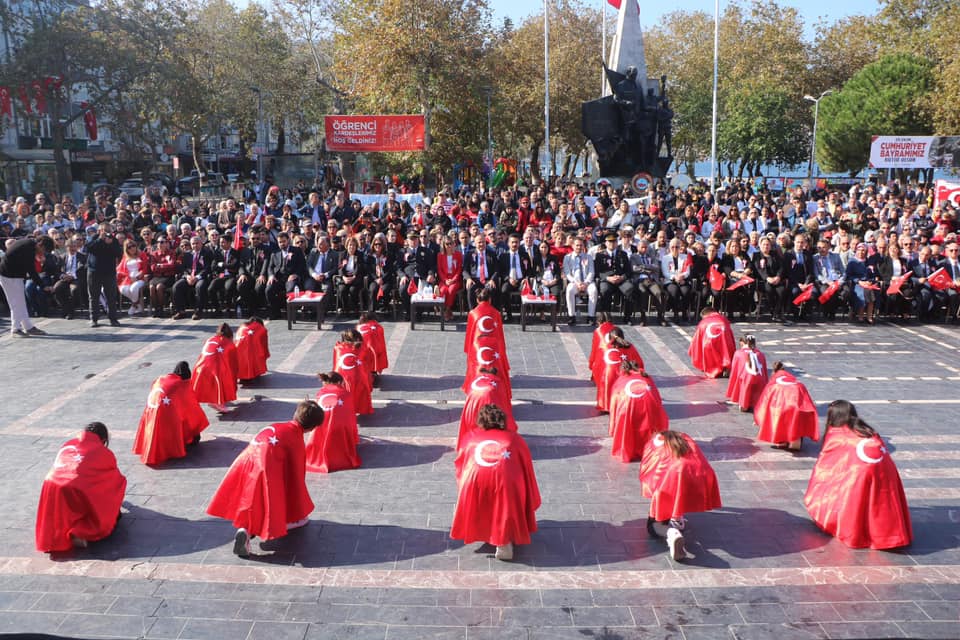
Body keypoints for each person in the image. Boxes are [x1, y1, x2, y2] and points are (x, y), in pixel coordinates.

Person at [207, 400, 325, 557]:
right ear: (312, 427)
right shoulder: (295, 438)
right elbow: (296, 476)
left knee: (250, 500)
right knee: (266, 503)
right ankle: (269, 526)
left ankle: (245, 530)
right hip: (267, 467)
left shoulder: (277, 426)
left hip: (247, 462)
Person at [803, 400, 912, 549]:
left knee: (853, 496)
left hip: (859, 472)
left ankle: (856, 532)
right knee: (880, 501)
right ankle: (888, 535)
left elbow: (826, 467)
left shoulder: (836, 435)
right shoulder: (868, 431)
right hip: (884, 469)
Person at [450, 404, 541, 561]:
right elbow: (526, 466)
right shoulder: (514, 439)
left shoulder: (471, 438)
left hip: (474, 479)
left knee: (479, 496)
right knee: (505, 504)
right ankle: (503, 541)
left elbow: (461, 463)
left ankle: (481, 530)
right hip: (506, 480)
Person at [35, 422, 126, 552]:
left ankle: (52, 537)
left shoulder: (68, 444)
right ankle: (80, 531)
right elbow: (112, 478)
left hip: (51, 483)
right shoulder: (102, 451)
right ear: (104, 439)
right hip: (76, 486)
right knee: (114, 484)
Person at [640, 431, 721, 561]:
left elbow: (650, 474)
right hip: (700, 472)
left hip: (672, 475)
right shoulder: (684, 438)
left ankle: (671, 533)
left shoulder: (652, 445)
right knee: (680, 492)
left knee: (653, 525)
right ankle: (677, 519)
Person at [133, 361, 209, 465]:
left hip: (151, 411)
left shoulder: (160, 379)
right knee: (187, 413)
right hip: (167, 415)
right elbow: (192, 409)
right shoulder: (181, 385)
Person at [608, 361, 668, 462]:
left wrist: (614, 425)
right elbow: (657, 398)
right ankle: (647, 448)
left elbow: (614, 401)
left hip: (627, 406)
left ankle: (628, 449)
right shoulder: (647, 378)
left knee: (628, 427)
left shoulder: (620, 380)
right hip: (649, 405)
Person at [754, 362, 819, 451]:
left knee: (778, 416)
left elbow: (764, 402)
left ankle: (781, 440)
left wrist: (759, 418)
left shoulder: (773, 384)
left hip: (781, 406)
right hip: (796, 404)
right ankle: (795, 439)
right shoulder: (797, 383)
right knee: (795, 419)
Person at [305, 372, 361, 473]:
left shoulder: (321, 392)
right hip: (340, 428)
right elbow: (350, 417)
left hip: (321, 425)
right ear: (339, 382)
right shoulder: (346, 394)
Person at [0, 235, 54, 336]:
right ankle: (15, 329)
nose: (43, 253)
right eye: (44, 250)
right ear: (40, 245)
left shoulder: (28, 244)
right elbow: (31, 270)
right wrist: (43, 285)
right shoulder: (28, 248)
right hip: (10, 277)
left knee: (20, 303)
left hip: (12, 275)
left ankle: (28, 327)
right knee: (16, 304)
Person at [458, 367, 517, 453]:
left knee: (474, 423)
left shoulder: (476, 378)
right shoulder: (498, 383)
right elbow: (503, 403)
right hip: (489, 398)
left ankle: (475, 441)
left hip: (473, 402)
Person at [593, 327, 644, 413]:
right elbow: (639, 364)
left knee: (606, 379)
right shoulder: (630, 347)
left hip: (609, 377)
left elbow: (597, 365)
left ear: (610, 338)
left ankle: (605, 406)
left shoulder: (604, 347)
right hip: (626, 377)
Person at [191, 323, 239, 413]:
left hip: (199, 367)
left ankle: (214, 399)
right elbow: (233, 364)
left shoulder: (210, 339)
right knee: (224, 373)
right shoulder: (229, 344)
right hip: (214, 369)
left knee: (213, 376)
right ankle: (216, 402)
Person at [85, 224, 123, 327]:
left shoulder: (113, 240)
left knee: (111, 296)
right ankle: (94, 319)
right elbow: (88, 249)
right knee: (94, 296)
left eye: (108, 230)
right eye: (104, 230)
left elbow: (119, 253)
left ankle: (113, 319)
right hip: (94, 271)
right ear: (99, 230)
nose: (106, 232)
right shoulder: (94, 238)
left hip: (109, 272)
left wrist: (110, 244)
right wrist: (100, 240)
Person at [333, 329, 373, 415]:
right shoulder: (364, 348)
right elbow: (367, 366)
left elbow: (335, 364)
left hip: (340, 380)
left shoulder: (337, 347)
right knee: (363, 379)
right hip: (359, 380)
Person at [688, 306, 736, 378]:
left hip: (708, 344)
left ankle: (712, 369)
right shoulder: (723, 319)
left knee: (707, 349)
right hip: (724, 343)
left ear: (704, 315)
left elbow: (696, 341)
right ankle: (726, 367)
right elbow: (730, 336)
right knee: (726, 347)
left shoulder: (703, 322)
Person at [725, 334, 769, 412]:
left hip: (746, 380)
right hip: (760, 380)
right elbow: (764, 372)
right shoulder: (761, 354)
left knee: (744, 381)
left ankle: (744, 404)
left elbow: (735, 372)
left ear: (742, 342)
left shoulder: (738, 353)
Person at [463, 331, 513, 399]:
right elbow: (502, 364)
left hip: (476, 392)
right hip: (496, 390)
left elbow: (471, 366)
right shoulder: (497, 347)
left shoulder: (475, 346)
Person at [563, 237, 597, 325]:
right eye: (577, 245)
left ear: (583, 246)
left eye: (581, 245)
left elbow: (591, 272)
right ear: (573, 246)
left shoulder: (588, 257)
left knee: (593, 290)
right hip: (574, 282)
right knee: (569, 290)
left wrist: (586, 283)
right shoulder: (568, 257)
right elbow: (567, 274)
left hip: (587, 282)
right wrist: (577, 283)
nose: (579, 247)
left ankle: (591, 316)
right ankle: (571, 316)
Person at [463, 288, 506, 356]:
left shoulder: (472, 313)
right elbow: (500, 333)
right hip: (493, 346)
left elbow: (470, 334)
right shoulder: (496, 313)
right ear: (490, 300)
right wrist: (502, 349)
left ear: (477, 300)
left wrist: (468, 350)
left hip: (477, 345)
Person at [117, 239, 149, 316]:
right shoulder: (125, 257)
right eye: (129, 247)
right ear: (126, 249)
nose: (132, 248)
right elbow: (119, 268)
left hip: (140, 277)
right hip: (128, 278)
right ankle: (138, 303)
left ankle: (134, 305)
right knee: (123, 289)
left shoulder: (142, 254)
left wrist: (137, 278)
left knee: (133, 288)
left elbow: (145, 268)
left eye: (133, 246)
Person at [436, 234, 463, 321]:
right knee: (443, 290)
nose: (449, 245)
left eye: (451, 243)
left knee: (451, 290)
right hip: (444, 280)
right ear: (443, 245)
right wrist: (445, 280)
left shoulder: (458, 255)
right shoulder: (440, 255)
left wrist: (453, 280)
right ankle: (447, 310)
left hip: (455, 280)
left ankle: (446, 310)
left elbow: (459, 269)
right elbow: (439, 270)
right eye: (447, 244)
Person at [235, 316, 270, 381]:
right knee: (255, 354)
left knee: (242, 360)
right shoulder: (262, 329)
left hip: (239, 348)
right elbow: (264, 344)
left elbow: (236, 338)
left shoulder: (242, 326)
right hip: (252, 349)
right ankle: (254, 373)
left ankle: (241, 376)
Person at [357, 312, 388, 377]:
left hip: (363, 351)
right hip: (376, 350)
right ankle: (374, 371)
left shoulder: (359, 327)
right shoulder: (379, 327)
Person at [587, 312, 616, 379]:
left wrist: (591, 365)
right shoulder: (616, 330)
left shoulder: (597, 331)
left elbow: (594, 351)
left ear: (598, 321)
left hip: (602, 363)